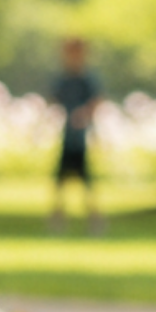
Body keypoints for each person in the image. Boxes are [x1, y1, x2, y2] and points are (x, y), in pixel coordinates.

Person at [51, 38, 104, 233]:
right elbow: (54, 99)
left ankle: (95, 221)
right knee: (60, 180)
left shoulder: (87, 79)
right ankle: (57, 220)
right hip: (67, 136)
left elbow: (97, 100)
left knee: (86, 180)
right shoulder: (64, 79)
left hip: (81, 138)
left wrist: (84, 114)